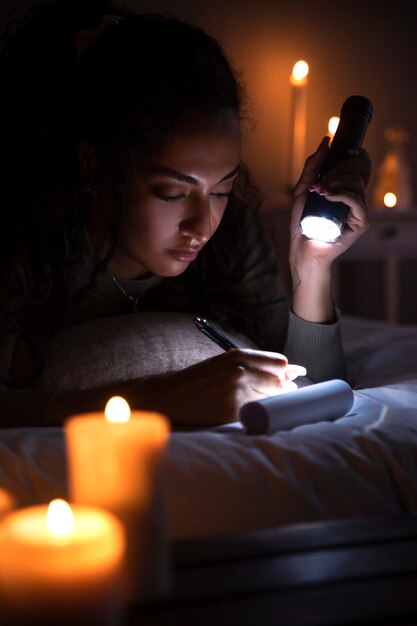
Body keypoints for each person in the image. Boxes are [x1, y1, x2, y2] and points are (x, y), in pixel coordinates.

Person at [0, 0, 371, 428]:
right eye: (172, 192)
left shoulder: (232, 235)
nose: (202, 225)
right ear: (96, 168)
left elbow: (311, 388)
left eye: (223, 190)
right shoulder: (25, 244)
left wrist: (312, 267)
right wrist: (150, 399)